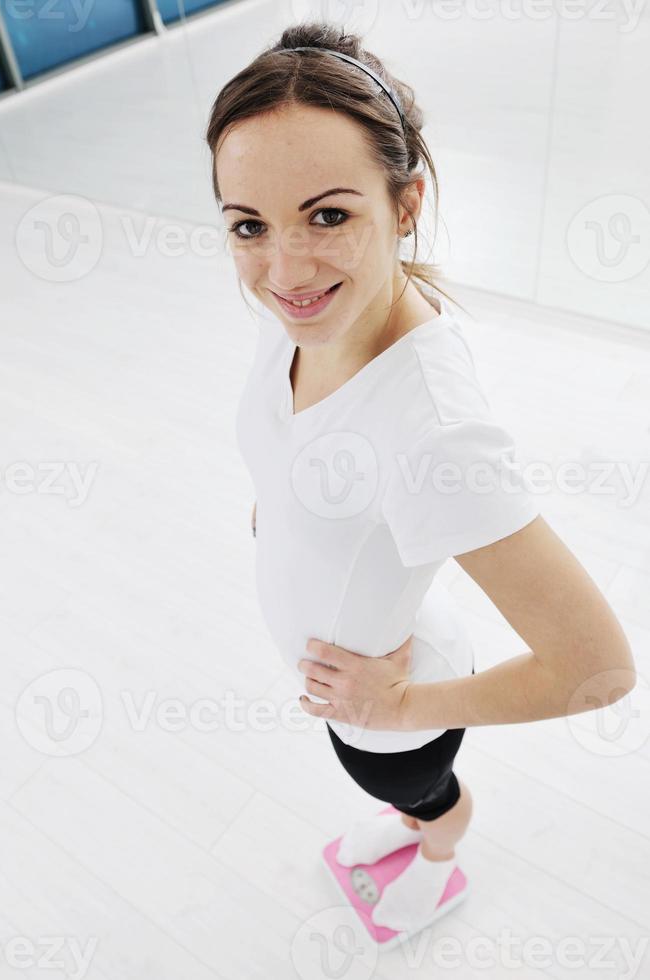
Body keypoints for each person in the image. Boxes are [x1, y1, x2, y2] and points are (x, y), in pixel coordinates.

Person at [205, 22, 636, 935]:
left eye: (329, 215)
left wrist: (397, 704)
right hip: (358, 685)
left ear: (407, 204)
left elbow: (597, 671)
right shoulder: (308, 307)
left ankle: (436, 858)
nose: (283, 271)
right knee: (390, 785)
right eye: (250, 225)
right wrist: (279, 497)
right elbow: (299, 428)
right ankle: (407, 820)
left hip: (396, 710)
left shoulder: (433, 428)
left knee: (427, 793)